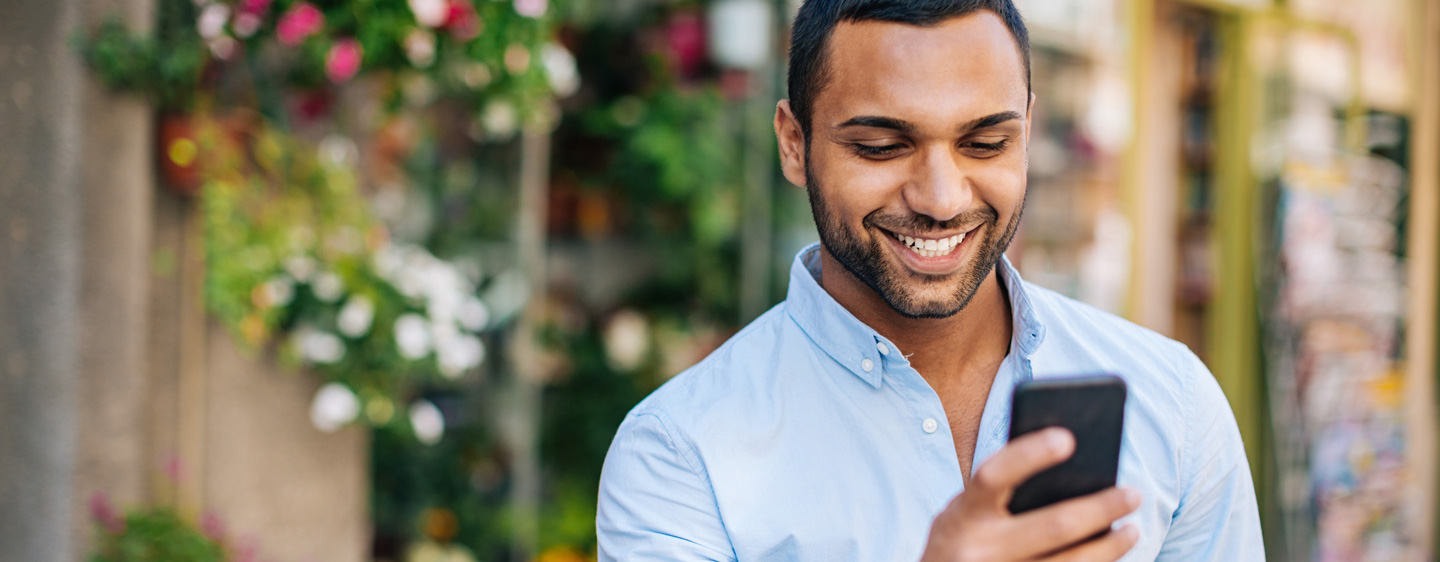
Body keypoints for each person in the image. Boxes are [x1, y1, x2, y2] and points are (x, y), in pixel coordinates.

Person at [596, 0, 1264, 560]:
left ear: (1028, 132)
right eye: (882, 147)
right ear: (794, 144)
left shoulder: (1172, 405)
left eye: (985, 143)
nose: (942, 198)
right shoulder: (681, 456)